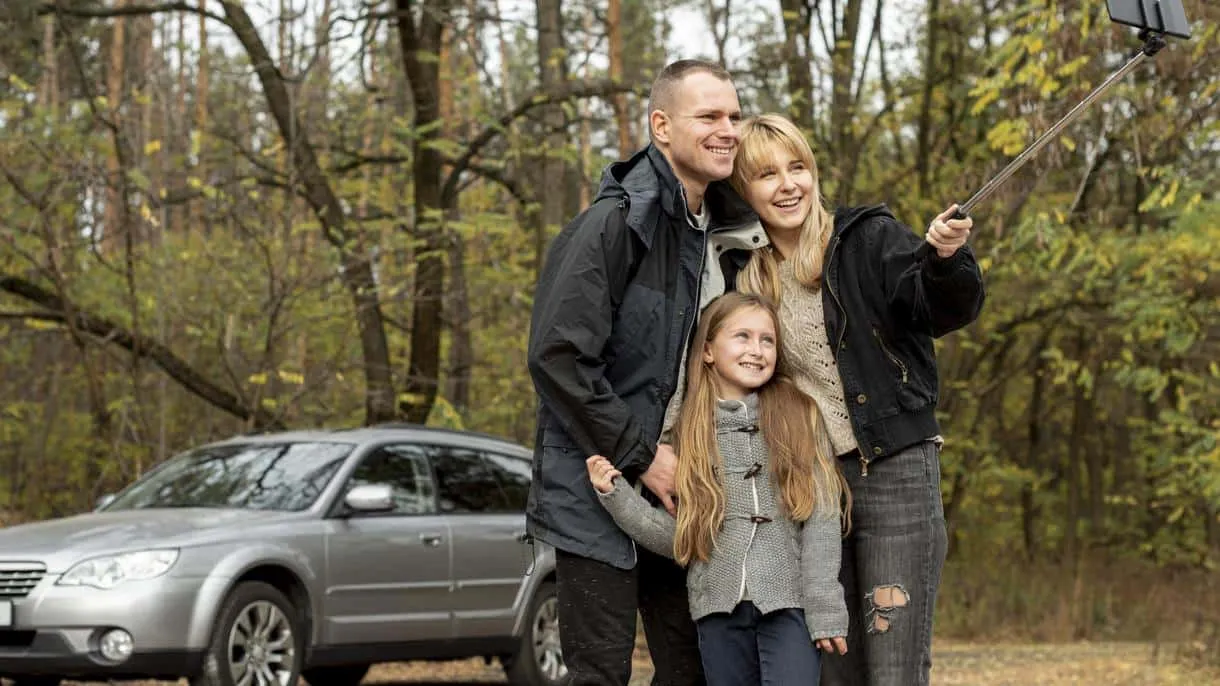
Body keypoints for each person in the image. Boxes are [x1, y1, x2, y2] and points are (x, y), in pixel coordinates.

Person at [526, 59, 767, 686]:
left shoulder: (723, 234)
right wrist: (640, 455)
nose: (728, 130)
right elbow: (556, 357)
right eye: (709, 116)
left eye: (735, 116)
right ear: (661, 126)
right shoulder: (613, 224)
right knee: (601, 673)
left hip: (679, 490)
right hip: (595, 485)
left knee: (693, 668)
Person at [726, 114, 985, 686]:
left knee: (894, 667)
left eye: (798, 167)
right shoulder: (746, 277)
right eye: (767, 174)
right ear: (744, 190)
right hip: (814, 488)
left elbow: (938, 306)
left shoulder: (864, 238)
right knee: (834, 670)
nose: (788, 184)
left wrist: (943, 261)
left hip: (895, 472)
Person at [585, 291, 851, 686]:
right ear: (708, 350)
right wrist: (618, 497)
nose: (757, 350)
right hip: (717, 609)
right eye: (742, 336)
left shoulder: (799, 415)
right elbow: (679, 536)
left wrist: (826, 608)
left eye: (767, 340)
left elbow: (822, 519)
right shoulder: (688, 433)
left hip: (790, 605)